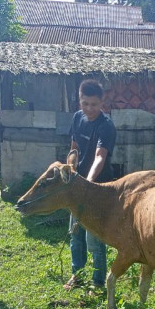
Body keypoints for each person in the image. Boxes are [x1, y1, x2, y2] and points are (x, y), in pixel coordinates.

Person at [64, 79, 117, 291]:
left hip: (97, 187)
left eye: (94, 104)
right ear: (80, 101)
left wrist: (89, 183)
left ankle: (97, 282)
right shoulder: (78, 118)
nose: (89, 108)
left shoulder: (106, 126)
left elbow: (99, 157)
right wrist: (70, 168)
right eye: (85, 103)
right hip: (77, 185)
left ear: (102, 102)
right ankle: (77, 275)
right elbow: (74, 148)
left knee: (94, 238)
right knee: (75, 233)